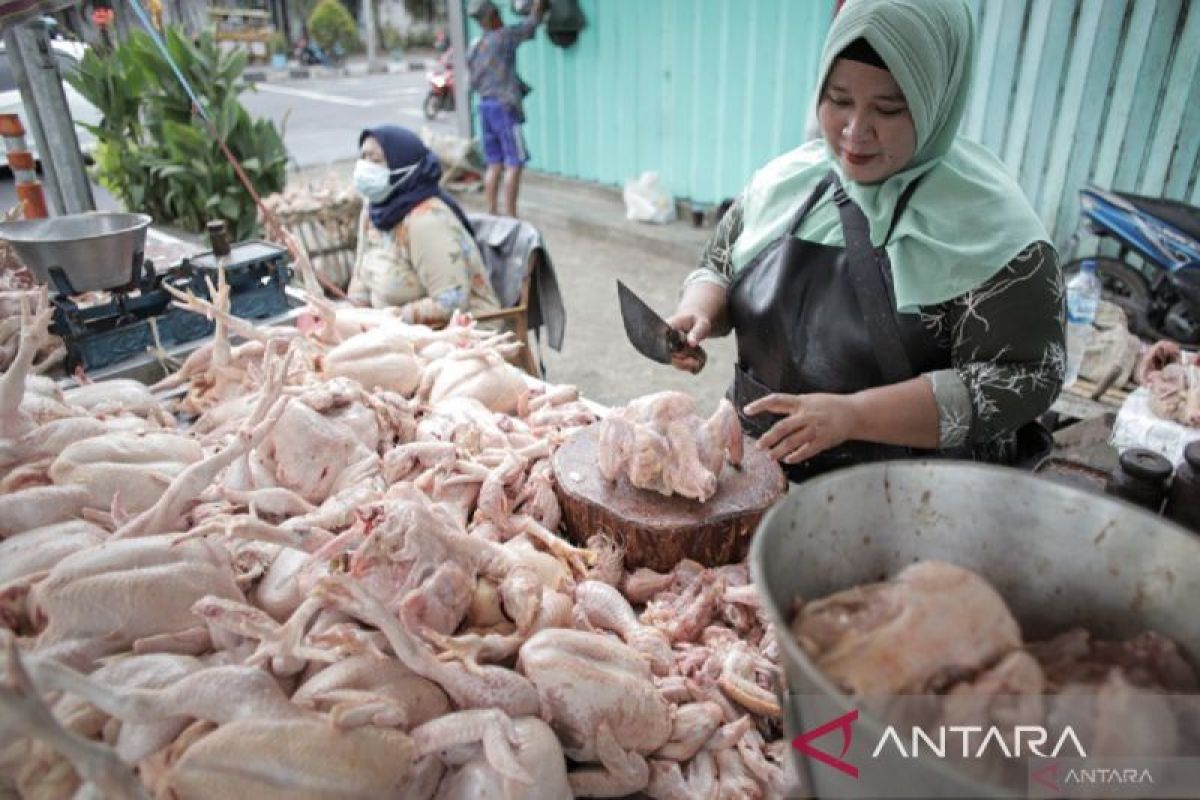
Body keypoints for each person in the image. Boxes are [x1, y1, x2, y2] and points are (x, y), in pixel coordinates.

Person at [668, 0, 1065, 483]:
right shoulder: (783, 183)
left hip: (907, 505)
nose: (855, 131)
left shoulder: (997, 232)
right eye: (838, 100)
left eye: (889, 108)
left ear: (937, 98)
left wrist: (854, 415)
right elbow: (719, 266)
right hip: (759, 475)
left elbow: (1023, 378)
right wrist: (699, 312)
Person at [349, 125, 501, 325]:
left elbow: (451, 302)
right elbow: (361, 275)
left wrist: (391, 319)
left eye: (376, 160)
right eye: (363, 156)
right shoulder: (373, 210)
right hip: (394, 329)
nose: (365, 166)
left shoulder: (426, 221)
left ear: (403, 167)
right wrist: (350, 311)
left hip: (458, 329)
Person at [466, 0, 547, 218]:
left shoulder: (475, 46)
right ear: (491, 16)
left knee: (494, 163)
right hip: (504, 108)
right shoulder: (503, 37)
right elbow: (530, 25)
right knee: (514, 163)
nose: (501, 18)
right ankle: (512, 216)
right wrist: (539, 5)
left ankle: (492, 212)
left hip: (485, 106)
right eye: (497, 14)